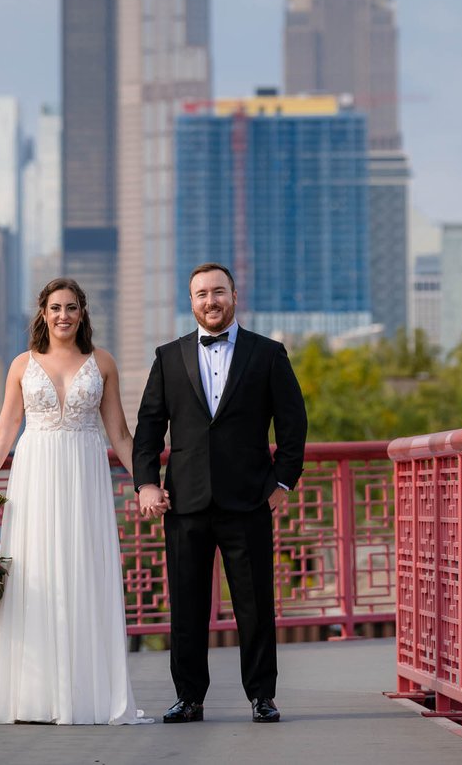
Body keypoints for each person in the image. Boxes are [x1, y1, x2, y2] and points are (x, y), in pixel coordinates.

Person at [0, 278, 150, 726]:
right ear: (43, 314)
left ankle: (85, 696)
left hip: (86, 476)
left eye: (71, 307)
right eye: (55, 308)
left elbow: (120, 434)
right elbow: (3, 435)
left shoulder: (102, 363)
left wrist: (147, 483)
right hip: (36, 476)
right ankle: (32, 695)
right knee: (34, 574)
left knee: (84, 571)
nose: (63, 315)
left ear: (82, 312)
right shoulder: (22, 365)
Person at [132, 262, 308, 724]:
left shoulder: (269, 354)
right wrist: (147, 482)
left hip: (249, 500)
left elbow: (294, 425)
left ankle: (262, 696)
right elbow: (149, 427)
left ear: (234, 295)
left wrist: (282, 483)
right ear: (190, 302)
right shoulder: (168, 357)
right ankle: (189, 698)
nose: (210, 301)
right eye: (201, 294)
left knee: (254, 605)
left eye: (218, 292)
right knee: (186, 607)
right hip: (184, 502)